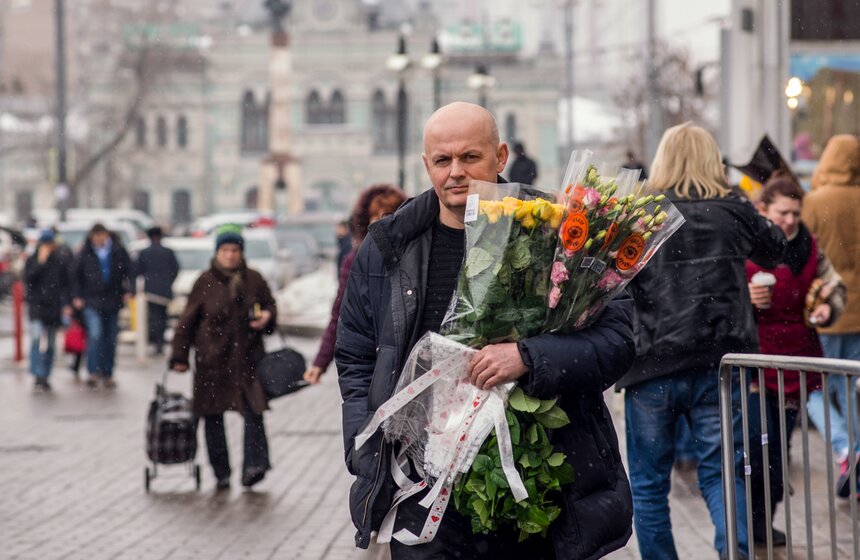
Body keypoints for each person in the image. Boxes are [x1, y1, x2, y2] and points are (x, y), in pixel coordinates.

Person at [335, 101, 637, 559]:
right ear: (427, 165)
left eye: (470, 157)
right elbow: (355, 356)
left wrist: (529, 357)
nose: (455, 172)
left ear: (500, 156)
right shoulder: (388, 246)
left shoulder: (561, 232)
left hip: (534, 489)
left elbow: (617, 343)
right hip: (424, 490)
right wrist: (366, 445)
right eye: (443, 160)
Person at [616, 122, 786, 560]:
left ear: (663, 160)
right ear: (713, 160)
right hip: (718, 363)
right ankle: (736, 553)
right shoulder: (732, 209)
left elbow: (612, 281)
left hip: (652, 365)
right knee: (722, 474)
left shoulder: (643, 212)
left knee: (650, 485)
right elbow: (778, 248)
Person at [744, 176, 845, 545]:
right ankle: (746, 522)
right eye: (782, 212)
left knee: (779, 449)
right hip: (753, 361)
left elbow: (834, 286)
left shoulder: (809, 247)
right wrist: (747, 299)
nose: (789, 220)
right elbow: (720, 296)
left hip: (796, 361)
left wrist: (824, 307)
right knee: (756, 445)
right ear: (764, 210)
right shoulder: (746, 245)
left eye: (795, 213)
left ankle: (762, 523)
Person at [169, 226, 277, 491]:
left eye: (235, 250)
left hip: (247, 361)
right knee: (212, 418)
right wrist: (179, 356)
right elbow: (187, 322)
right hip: (212, 362)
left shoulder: (254, 279)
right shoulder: (204, 281)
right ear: (217, 252)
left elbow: (270, 306)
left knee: (254, 413)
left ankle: (254, 466)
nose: (230, 255)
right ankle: (221, 473)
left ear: (241, 252)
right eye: (225, 250)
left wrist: (267, 317)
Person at [802, 134, 860, 497]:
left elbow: (804, 254)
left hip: (828, 305)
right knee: (853, 386)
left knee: (818, 388)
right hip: (859, 311)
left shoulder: (814, 201)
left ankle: (844, 448)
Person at [303, 184, 405, 385]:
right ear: (365, 220)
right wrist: (320, 362)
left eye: (388, 215)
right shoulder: (356, 259)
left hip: (408, 354)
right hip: (370, 358)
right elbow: (340, 312)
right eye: (375, 215)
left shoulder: (415, 254)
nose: (381, 222)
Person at [71, 223, 133, 389]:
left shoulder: (118, 251)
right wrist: (77, 296)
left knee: (110, 338)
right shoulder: (85, 252)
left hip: (113, 300)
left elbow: (130, 270)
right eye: (96, 236)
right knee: (96, 335)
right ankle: (93, 371)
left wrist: (129, 290)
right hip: (92, 300)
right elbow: (76, 275)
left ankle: (108, 372)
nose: (98, 239)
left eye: (101, 236)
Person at [24, 230, 72, 392]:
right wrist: (40, 262)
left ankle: (46, 374)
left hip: (53, 307)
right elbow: (28, 279)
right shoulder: (32, 260)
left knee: (51, 343)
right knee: (36, 338)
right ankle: (37, 374)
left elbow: (66, 284)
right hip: (37, 306)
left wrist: (66, 304)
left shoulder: (60, 261)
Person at [136, 226, 179, 356]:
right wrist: (168, 281)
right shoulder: (168, 252)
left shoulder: (144, 253)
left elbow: (138, 270)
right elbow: (176, 269)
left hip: (151, 291)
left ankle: (156, 342)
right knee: (162, 317)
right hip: (164, 290)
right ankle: (159, 342)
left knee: (153, 317)